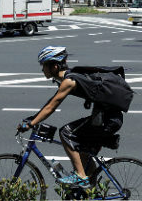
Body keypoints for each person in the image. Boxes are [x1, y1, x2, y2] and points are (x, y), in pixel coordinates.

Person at [19, 46, 124, 188]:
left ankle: (80, 176)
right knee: (82, 152)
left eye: (44, 65)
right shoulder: (68, 77)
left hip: (107, 119)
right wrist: (33, 118)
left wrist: (31, 124)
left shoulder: (69, 81)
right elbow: (50, 103)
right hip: (108, 117)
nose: (42, 69)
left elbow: (51, 107)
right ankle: (90, 190)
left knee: (65, 132)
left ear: (54, 66)